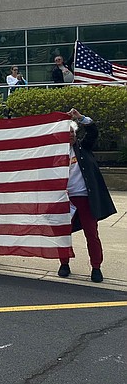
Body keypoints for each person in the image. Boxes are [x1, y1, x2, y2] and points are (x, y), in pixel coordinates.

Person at [58, 109, 117, 283]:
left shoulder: (83, 147)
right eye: (66, 133)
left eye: (72, 132)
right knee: (63, 234)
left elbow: (93, 131)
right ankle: (64, 263)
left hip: (85, 198)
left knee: (92, 234)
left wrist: (81, 118)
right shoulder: (55, 154)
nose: (69, 135)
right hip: (65, 200)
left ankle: (96, 267)